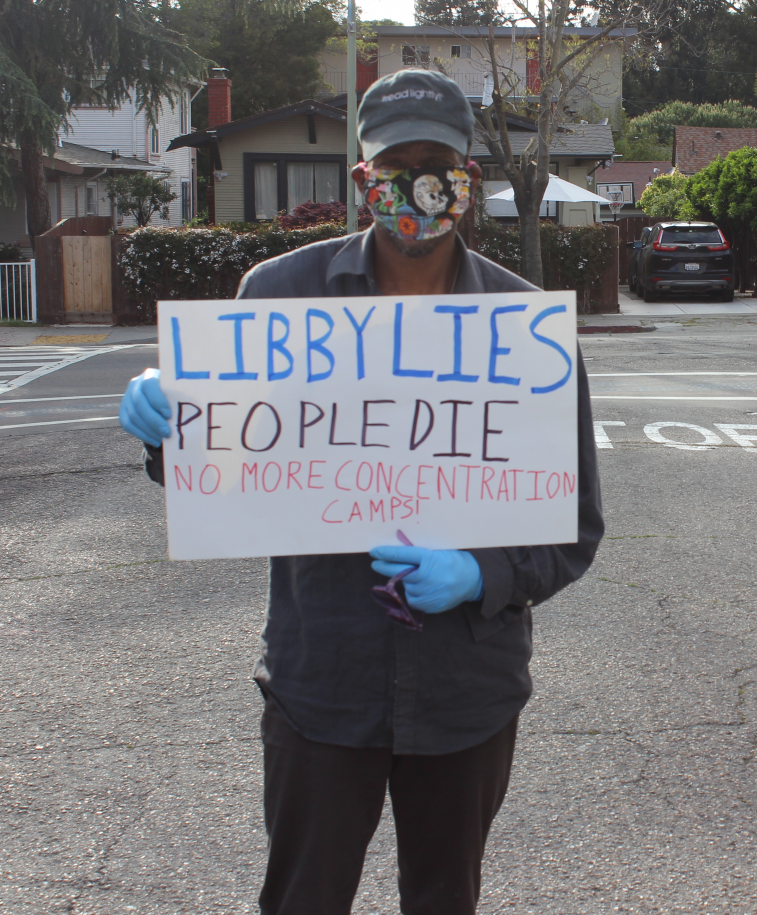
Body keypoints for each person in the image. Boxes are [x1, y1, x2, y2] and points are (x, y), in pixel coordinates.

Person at [119, 69, 604, 915]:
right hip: (322, 687)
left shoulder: (526, 334)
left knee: (444, 900)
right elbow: (230, 476)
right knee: (303, 899)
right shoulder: (277, 302)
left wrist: (483, 574)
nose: (419, 184)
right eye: (397, 163)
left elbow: (574, 527)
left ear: (469, 177)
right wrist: (174, 423)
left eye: (439, 163)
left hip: (466, 693)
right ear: (362, 180)